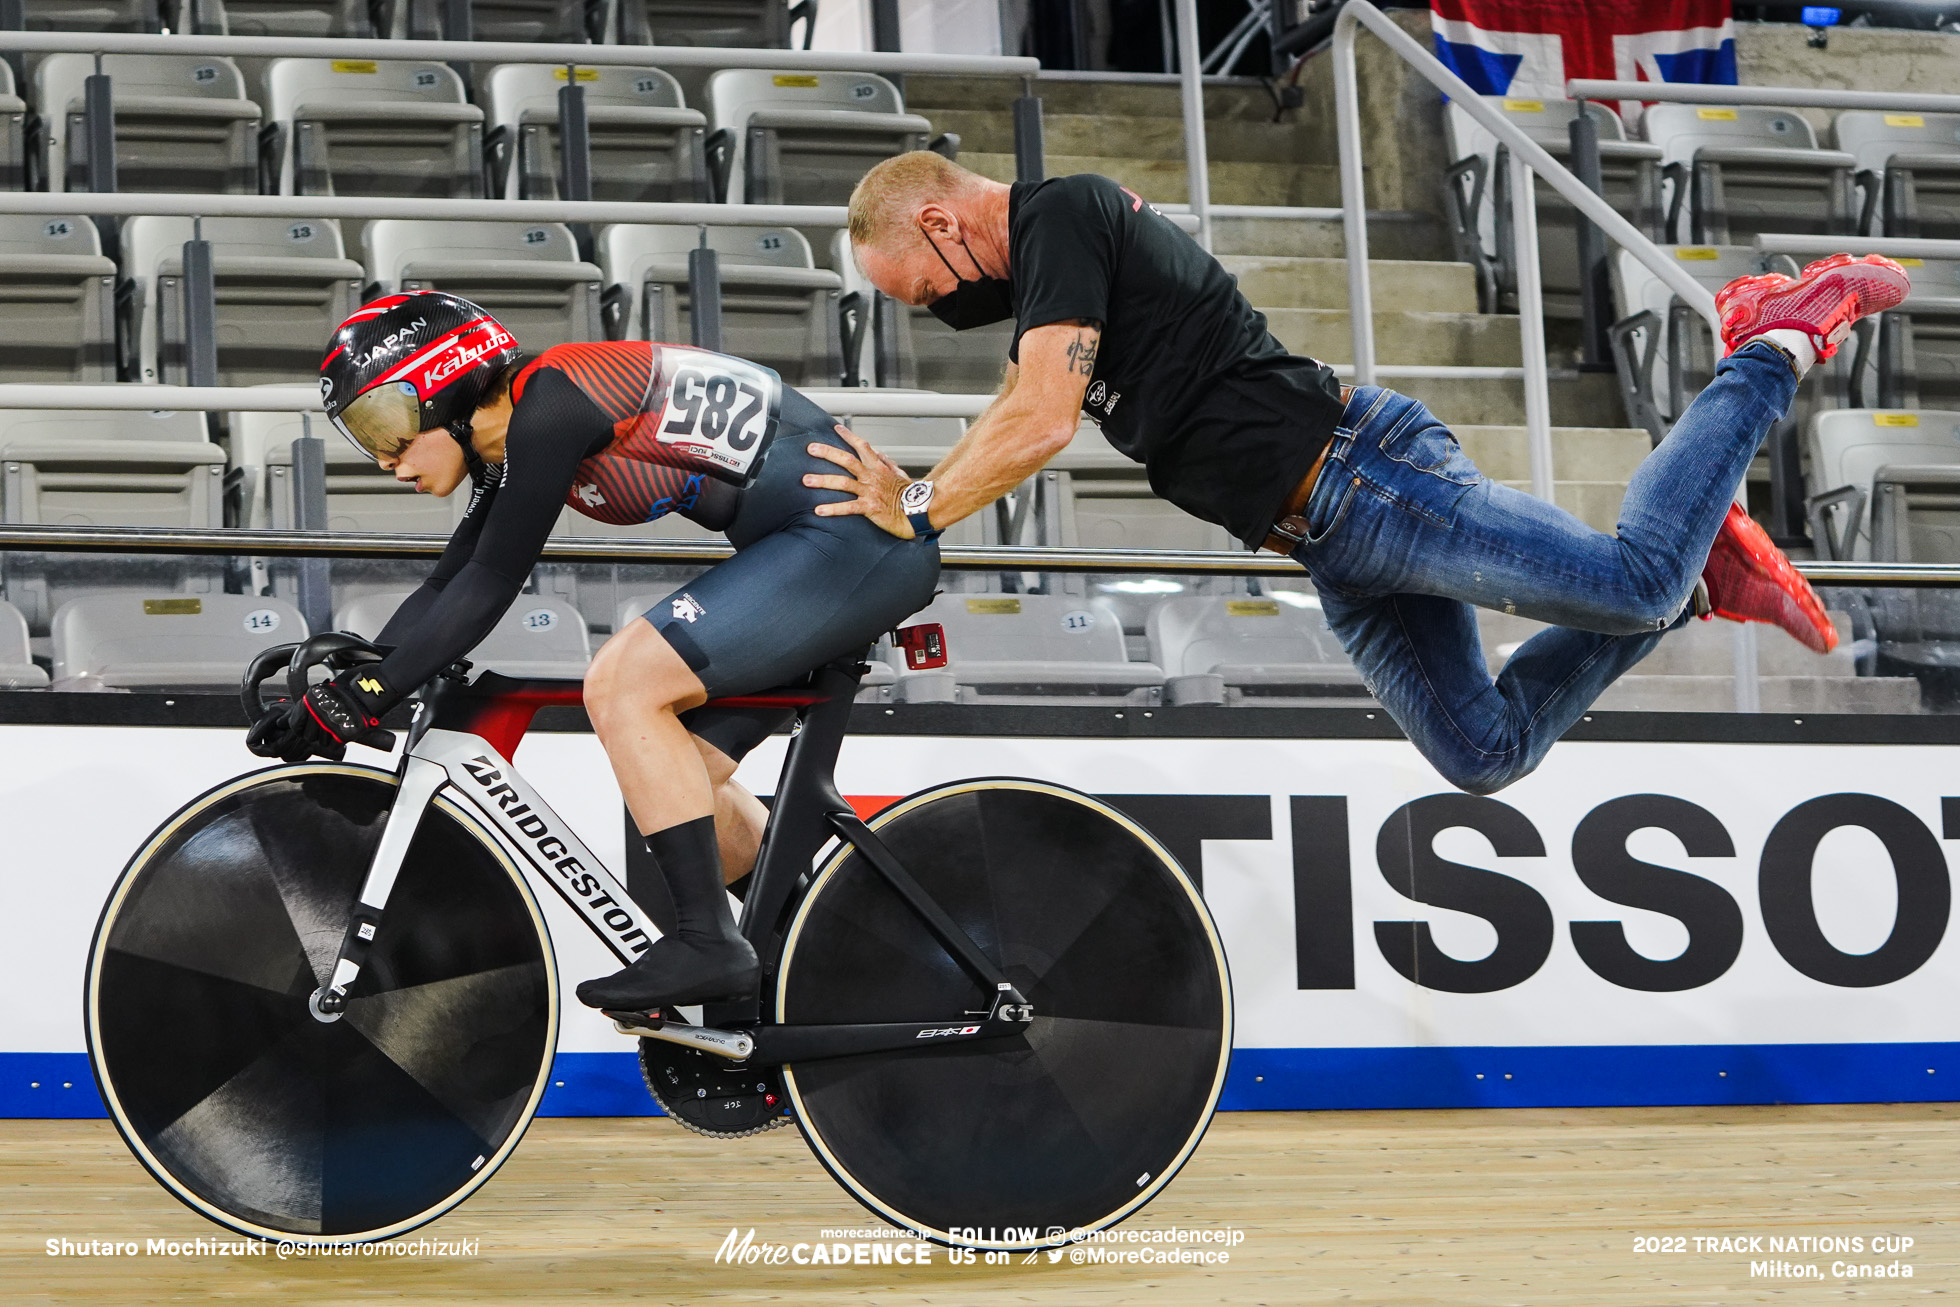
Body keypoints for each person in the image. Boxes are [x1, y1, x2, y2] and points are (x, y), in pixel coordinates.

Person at [822, 151, 1908, 795]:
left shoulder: (1058, 213)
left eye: (919, 289)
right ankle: (1704, 579)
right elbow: (1019, 402)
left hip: (1365, 475)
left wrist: (911, 508)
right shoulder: (1049, 277)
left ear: (940, 220)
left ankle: (1769, 343)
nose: (932, 311)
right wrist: (911, 497)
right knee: (1483, 753)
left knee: (1631, 580)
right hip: (1330, 541)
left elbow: (1041, 418)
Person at [246, 291, 940, 1011]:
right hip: (818, 551)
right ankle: (828, 937)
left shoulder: (554, 401)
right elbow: (455, 573)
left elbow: (491, 582)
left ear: (446, 382)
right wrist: (357, 671)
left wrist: (368, 696)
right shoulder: (517, 435)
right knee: (679, 774)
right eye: (365, 435)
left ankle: (709, 941)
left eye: (386, 424)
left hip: (850, 544)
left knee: (621, 683)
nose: (385, 458)